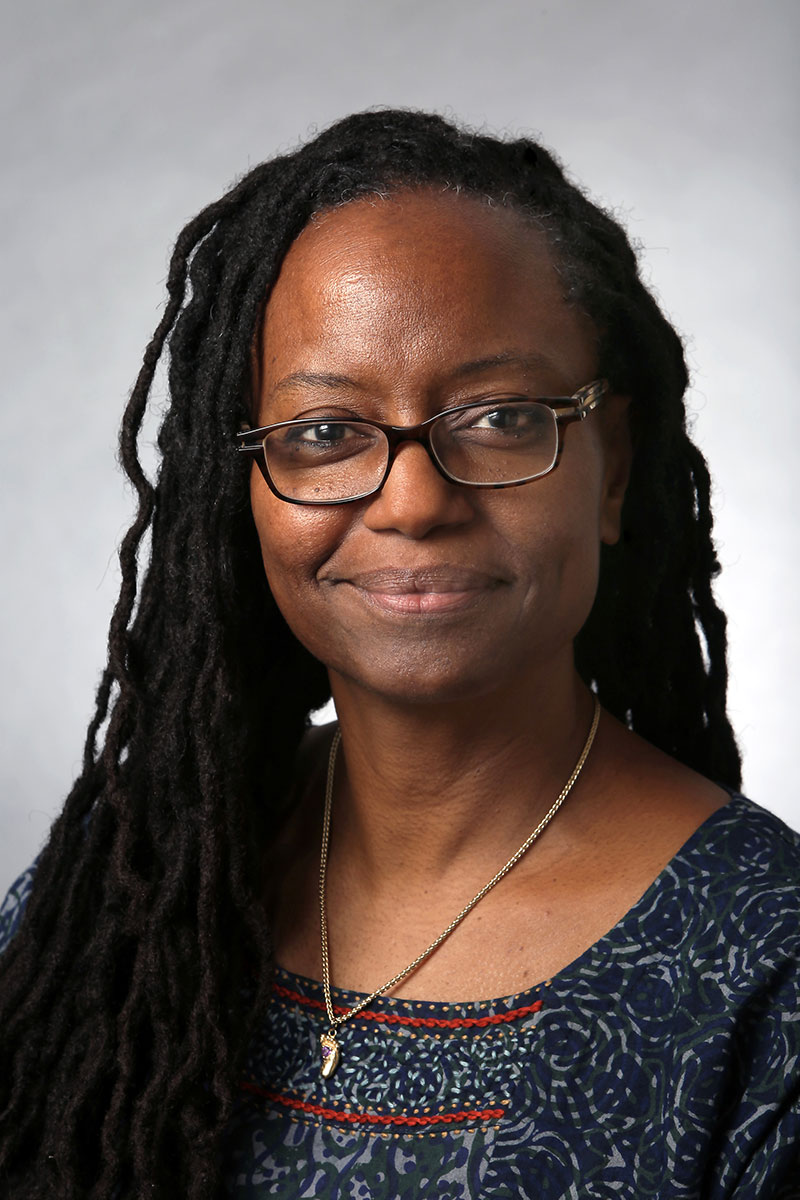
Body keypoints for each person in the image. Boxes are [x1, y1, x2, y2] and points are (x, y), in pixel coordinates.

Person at [0, 109, 797, 1199]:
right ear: (241, 490)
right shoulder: (132, 875)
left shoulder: (768, 966)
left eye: (500, 417)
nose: (413, 500)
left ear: (609, 467)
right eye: (324, 432)